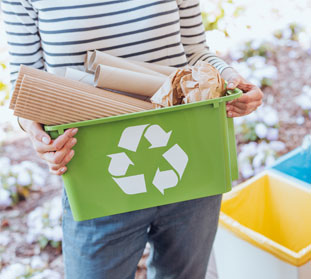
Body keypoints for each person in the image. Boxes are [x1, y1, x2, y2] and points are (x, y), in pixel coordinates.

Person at [2, 0, 263, 278]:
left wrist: (231, 79)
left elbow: (195, 52)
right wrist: (36, 133)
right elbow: (25, 82)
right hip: (96, 175)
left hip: (188, 161)